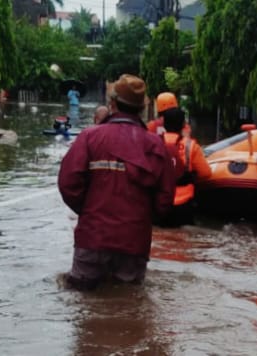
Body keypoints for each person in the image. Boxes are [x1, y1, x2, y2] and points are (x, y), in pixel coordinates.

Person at [58, 74, 176, 291]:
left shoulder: (89, 137)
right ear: (142, 109)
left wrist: (89, 212)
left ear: (112, 104)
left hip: (92, 237)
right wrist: (142, 219)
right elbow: (165, 198)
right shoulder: (156, 146)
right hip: (134, 242)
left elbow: (67, 183)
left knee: (84, 307)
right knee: (131, 306)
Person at [157, 107, 212, 227]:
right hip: (183, 204)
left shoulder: (153, 143)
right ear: (183, 125)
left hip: (157, 204)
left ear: (164, 124)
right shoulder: (191, 146)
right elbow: (206, 174)